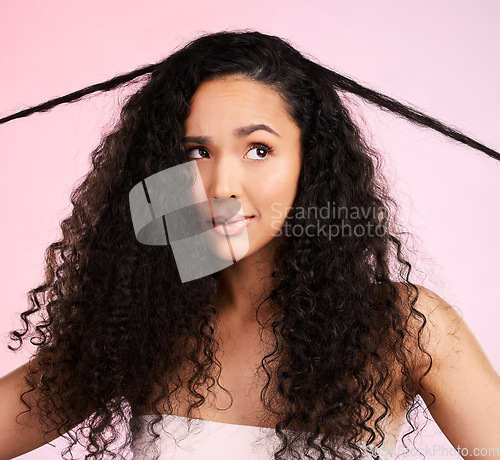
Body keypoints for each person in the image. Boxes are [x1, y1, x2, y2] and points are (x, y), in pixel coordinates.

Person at [0, 30, 499, 460]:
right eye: (197, 151)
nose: (221, 187)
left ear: (312, 162)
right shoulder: (142, 324)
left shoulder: (402, 328)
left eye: (259, 150)